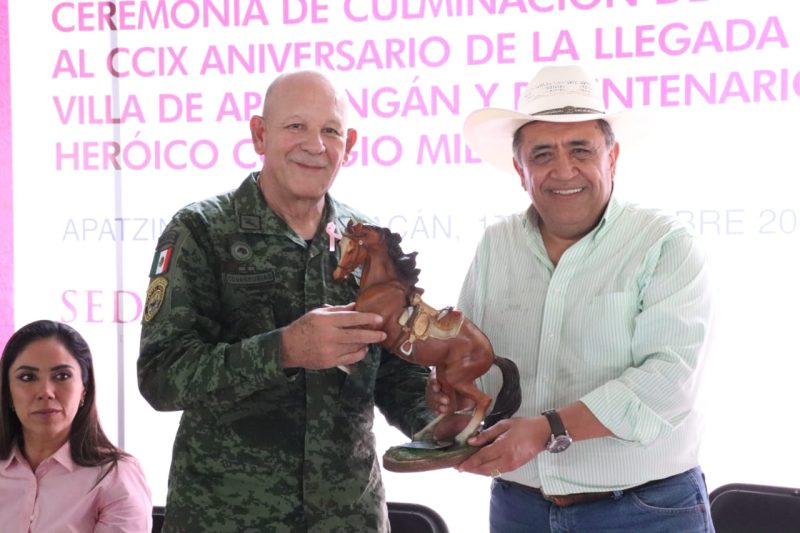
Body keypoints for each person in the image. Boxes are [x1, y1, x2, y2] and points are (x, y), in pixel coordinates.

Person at [137, 70, 434, 532]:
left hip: (347, 518)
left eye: (330, 130)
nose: (315, 145)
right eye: (296, 126)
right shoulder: (201, 231)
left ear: (349, 144)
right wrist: (284, 350)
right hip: (227, 518)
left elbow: (396, 372)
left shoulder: (368, 242)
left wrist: (438, 419)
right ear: (260, 134)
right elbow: (161, 375)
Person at [450, 64, 715, 532]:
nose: (563, 170)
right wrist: (451, 400)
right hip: (519, 509)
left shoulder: (663, 244)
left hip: (645, 513)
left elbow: (669, 382)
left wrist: (548, 429)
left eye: (580, 149)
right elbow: (472, 361)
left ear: (612, 158)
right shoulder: (496, 246)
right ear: (521, 170)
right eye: (542, 154)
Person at [0, 320, 152, 533]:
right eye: (28, 377)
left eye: (62, 376)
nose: (46, 392)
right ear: (8, 392)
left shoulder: (116, 476)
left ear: (84, 389)